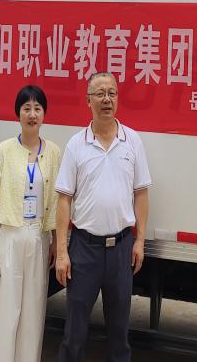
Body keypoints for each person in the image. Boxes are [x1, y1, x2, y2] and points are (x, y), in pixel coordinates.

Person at [55, 72, 152, 362]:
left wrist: (140, 241)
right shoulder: (76, 145)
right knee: (74, 332)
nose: (107, 99)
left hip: (121, 249)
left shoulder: (132, 141)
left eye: (112, 93)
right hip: (84, 250)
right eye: (100, 93)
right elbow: (64, 200)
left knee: (119, 333)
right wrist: (62, 252)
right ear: (88, 101)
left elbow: (141, 194)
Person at [0, 85, 62, 362]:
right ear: (18, 113)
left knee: (33, 312)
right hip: (10, 236)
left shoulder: (53, 152)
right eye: (26, 108)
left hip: (39, 236)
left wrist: (56, 242)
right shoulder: (6, 149)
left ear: (44, 114)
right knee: (6, 312)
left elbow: (57, 200)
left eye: (37, 108)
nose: (32, 114)